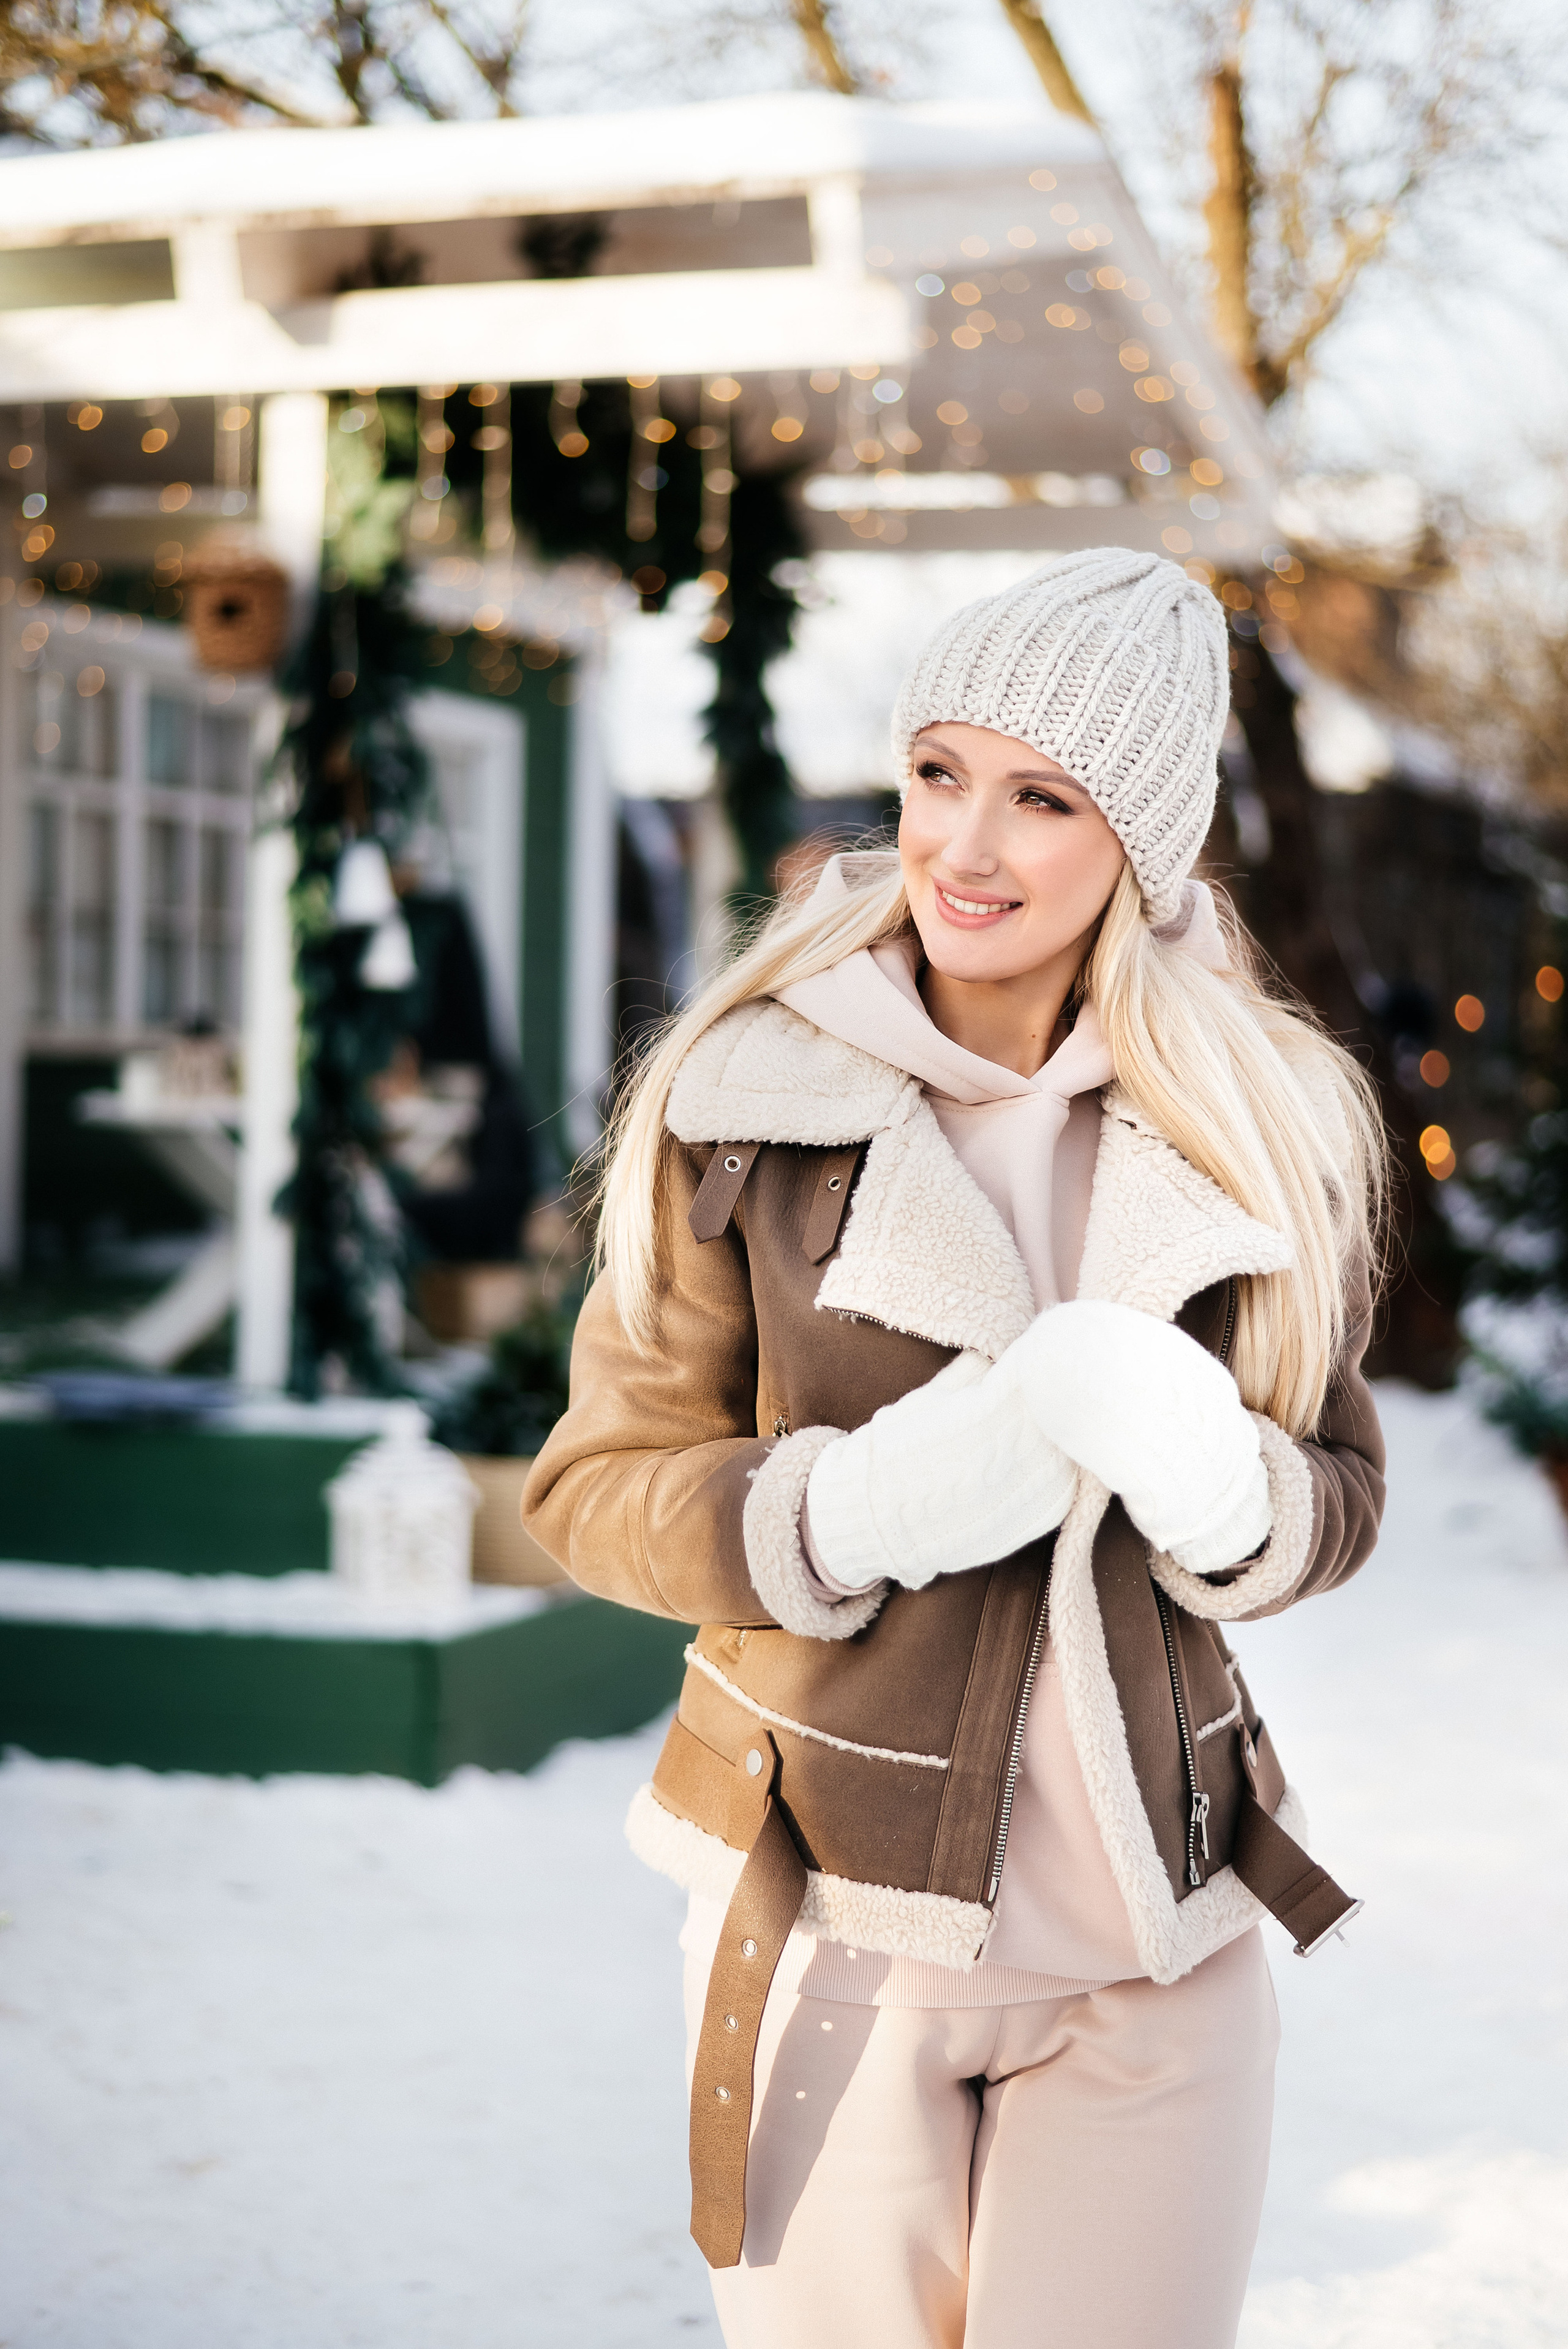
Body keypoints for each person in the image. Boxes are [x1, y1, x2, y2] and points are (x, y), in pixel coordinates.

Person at [521, 548, 1387, 2349]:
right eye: (938, 774)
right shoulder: (744, 1099)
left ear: (1139, 839)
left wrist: (1227, 1488)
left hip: (1161, 1948)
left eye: (1043, 798)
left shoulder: (1257, 1125)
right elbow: (592, 1491)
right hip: (829, 1914)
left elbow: (1339, 1490)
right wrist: (858, 1505)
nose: (964, 849)